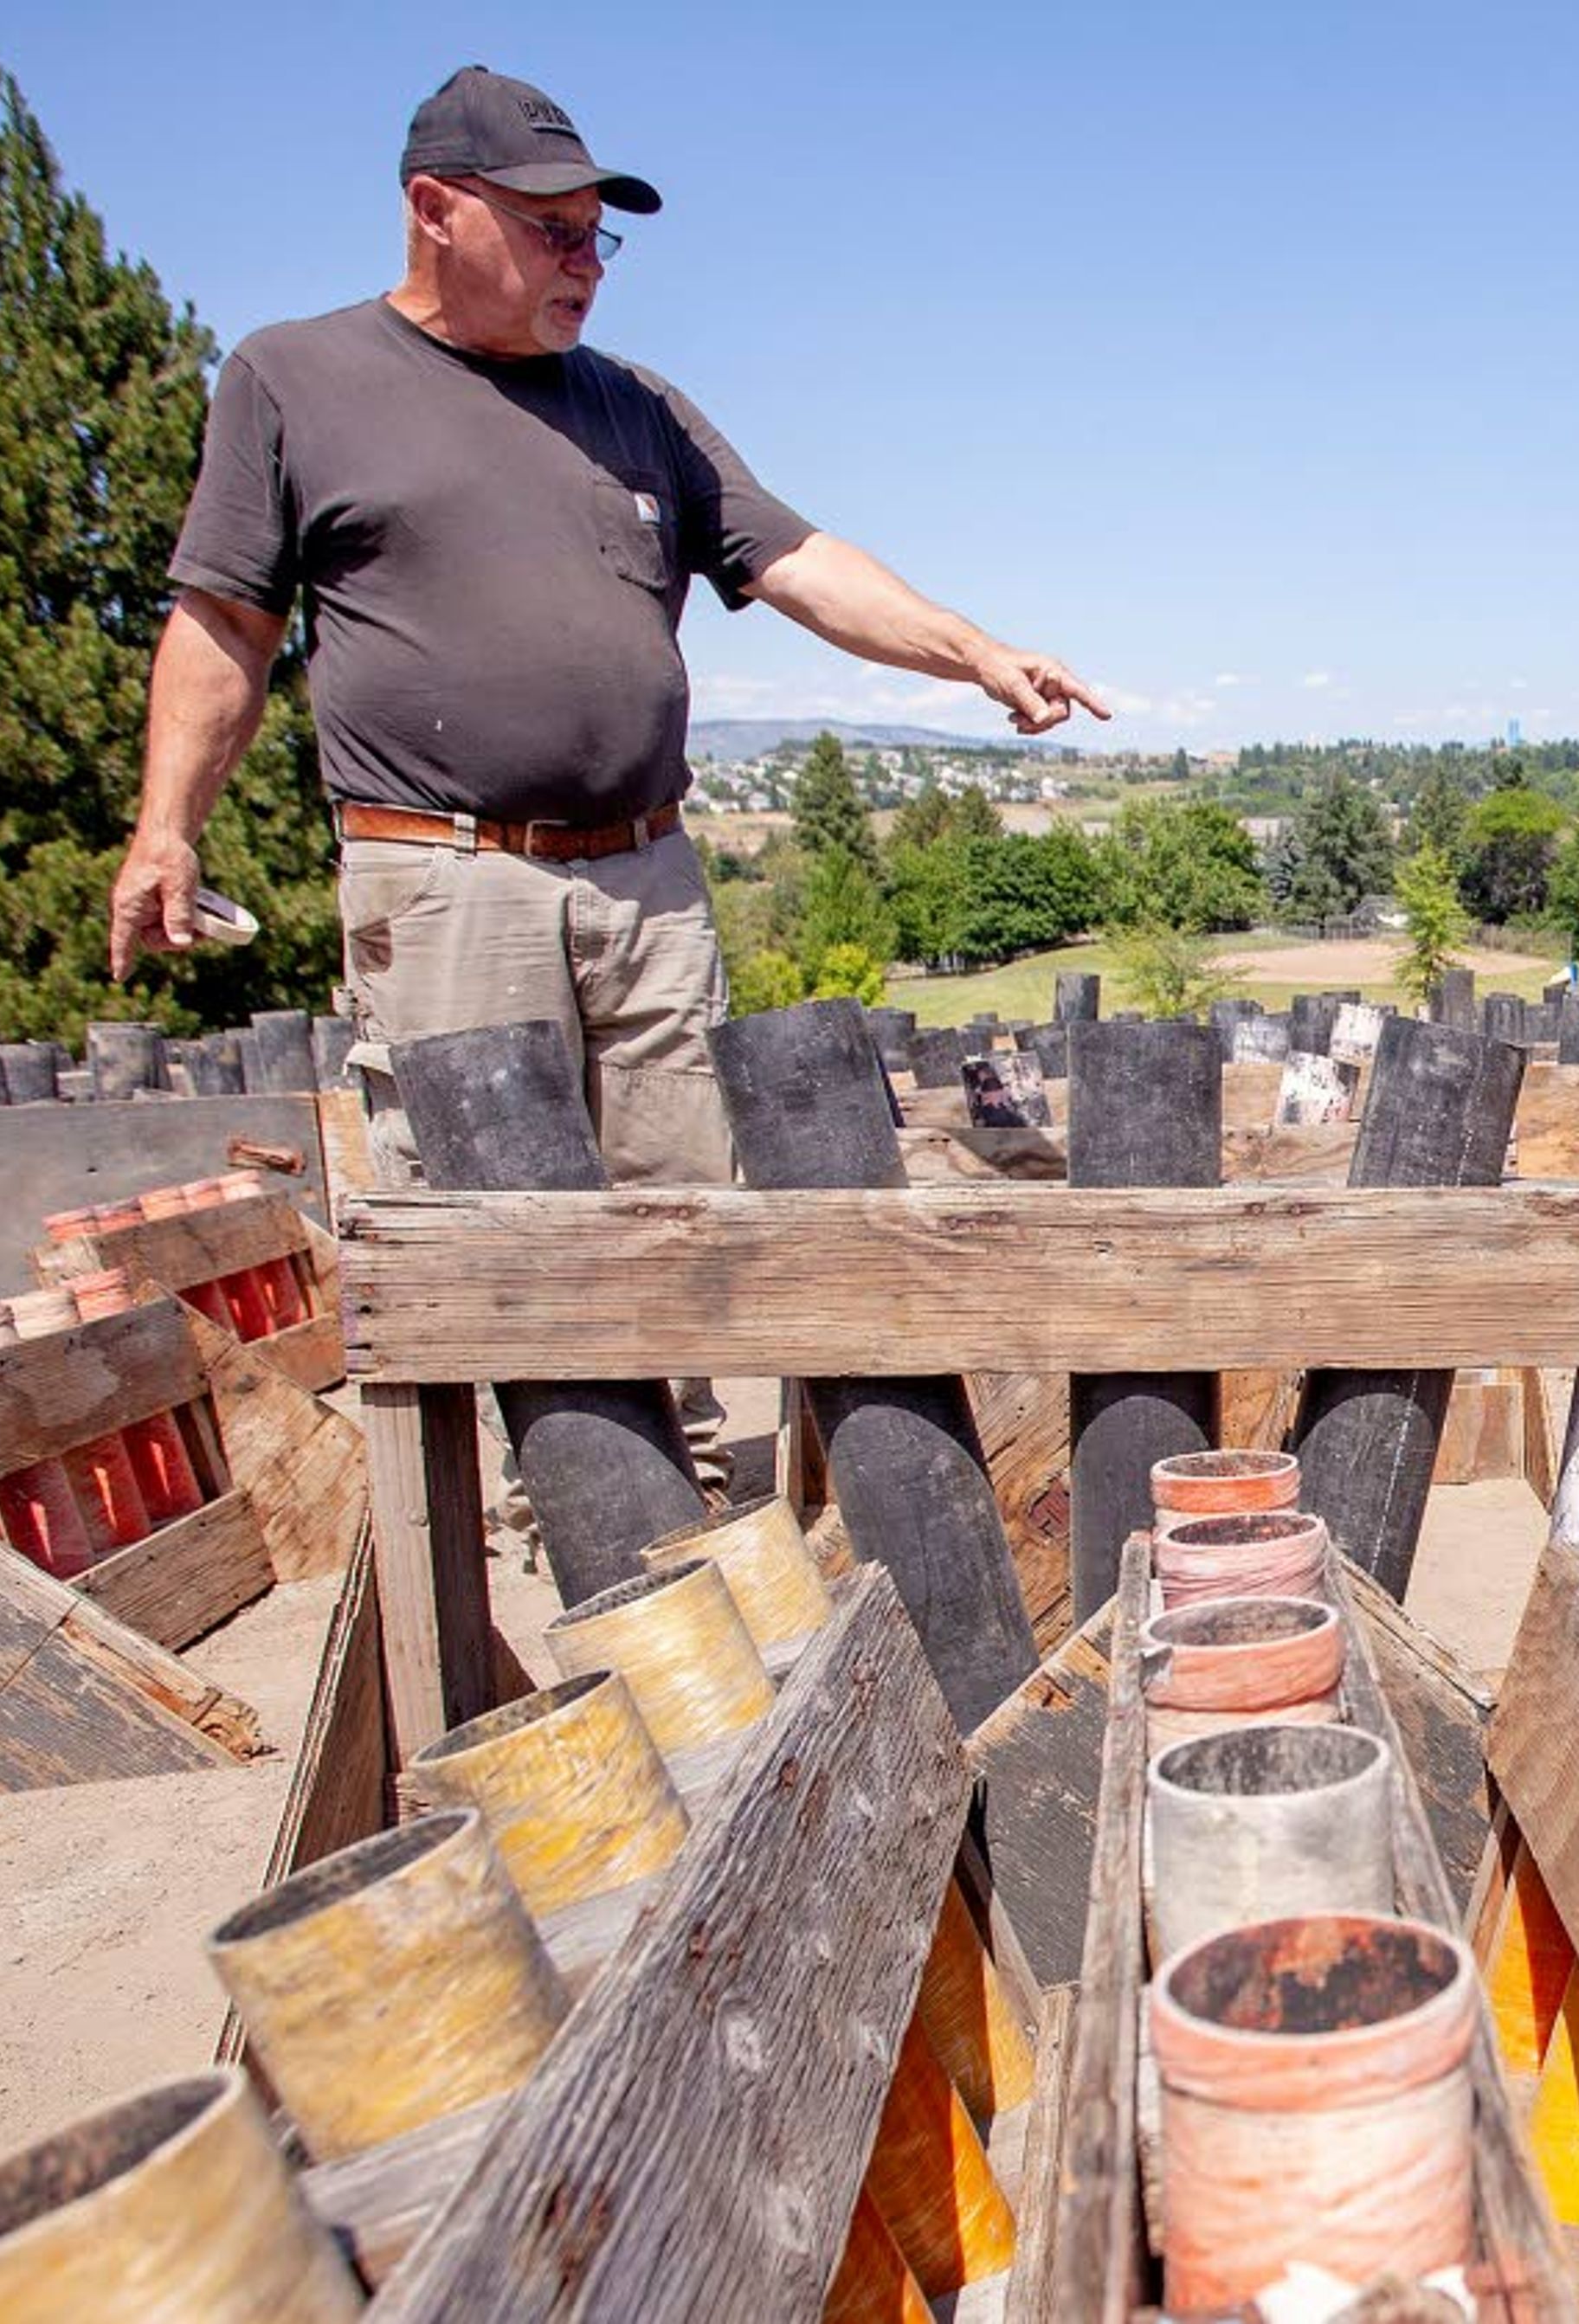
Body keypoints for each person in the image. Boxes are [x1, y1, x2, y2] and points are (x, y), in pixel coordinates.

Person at [110, 62, 1109, 1511]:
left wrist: (975, 652)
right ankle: (546, 1533)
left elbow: (794, 558)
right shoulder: (296, 378)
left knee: (677, 1211)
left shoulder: (635, 404)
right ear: (434, 209)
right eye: (554, 230)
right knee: (492, 1233)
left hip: (645, 880)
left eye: (600, 236)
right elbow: (224, 627)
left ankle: (695, 1514)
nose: (587, 263)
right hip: (447, 876)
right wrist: (166, 828)